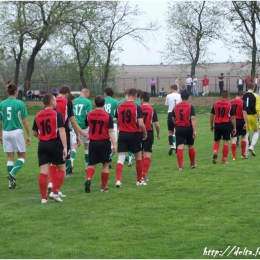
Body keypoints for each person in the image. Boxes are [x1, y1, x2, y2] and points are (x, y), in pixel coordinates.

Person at [47, 86, 87, 192]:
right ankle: (56, 188)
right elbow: (72, 120)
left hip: (50, 133)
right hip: (63, 132)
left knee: (53, 160)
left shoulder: (51, 100)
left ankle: (51, 182)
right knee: (63, 158)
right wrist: (78, 135)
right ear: (67, 94)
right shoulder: (67, 102)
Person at [32, 94, 67, 203]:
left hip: (42, 144)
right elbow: (61, 130)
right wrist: (65, 147)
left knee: (43, 172)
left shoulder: (38, 115)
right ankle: (55, 192)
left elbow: (34, 132)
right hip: (54, 144)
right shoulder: (56, 114)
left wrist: (42, 137)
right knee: (62, 168)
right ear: (51, 102)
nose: (56, 102)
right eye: (55, 100)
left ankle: (43, 198)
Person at [0, 83, 31, 189]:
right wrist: (28, 135)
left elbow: (0, 121)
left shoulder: (2, 104)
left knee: (10, 157)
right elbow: (25, 121)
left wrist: (0, 134)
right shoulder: (20, 103)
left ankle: (11, 184)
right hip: (16, 132)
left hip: (5, 132)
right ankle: (12, 173)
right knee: (22, 156)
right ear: (16, 91)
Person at [115, 88, 147, 188]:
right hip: (134, 134)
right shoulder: (137, 107)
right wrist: (145, 133)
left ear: (127, 94)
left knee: (120, 158)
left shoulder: (119, 106)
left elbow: (117, 120)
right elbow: (141, 123)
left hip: (122, 133)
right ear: (136, 95)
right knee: (138, 157)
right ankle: (138, 181)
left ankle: (118, 180)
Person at [84, 95, 116, 193]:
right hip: (104, 142)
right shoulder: (107, 115)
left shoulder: (89, 114)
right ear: (104, 104)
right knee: (106, 165)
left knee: (92, 164)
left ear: (94, 102)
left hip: (93, 142)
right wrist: (114, 144)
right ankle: (103, 187)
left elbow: (87, 124)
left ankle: (89, 179)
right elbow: (110, 131)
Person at [172, 90, 197, 170]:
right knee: (190, 146)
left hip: (179, 128)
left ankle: (180, 167)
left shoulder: (176, 106)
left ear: (181, 97)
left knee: (180, 146)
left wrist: (176, 123)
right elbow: (193, 118)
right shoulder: (190, 106)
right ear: (188, 97)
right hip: (188, 128)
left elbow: (173, 118)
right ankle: (192, 164)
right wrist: (194, 130)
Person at [210, 90, 236, 164]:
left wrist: (211, 125)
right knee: (226, 142)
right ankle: (224, 160)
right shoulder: (230, 104)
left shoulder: (215, 103)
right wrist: (234, 127)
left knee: (217, 141)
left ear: (221, 95)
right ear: (228, 96)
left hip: (217, 124)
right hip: (226, 124)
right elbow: (233, 117)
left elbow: (211, 115)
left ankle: (215, 151)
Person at [140, 92, 160, 182]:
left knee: (140, 154)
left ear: (142, 99)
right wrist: (158, 133)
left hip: (138, 133)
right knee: (147, 154)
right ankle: (144, 175)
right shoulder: (152, 110)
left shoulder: (138, 108)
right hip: (149, 132)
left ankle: (139, 175)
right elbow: (157, 124)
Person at [72, 88, 92, 173]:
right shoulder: (88, 102)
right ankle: (87, 165)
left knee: (75, 145)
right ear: (86, 93)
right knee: (87, 146)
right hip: (84, 126)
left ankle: (71, 162)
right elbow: (89, 116)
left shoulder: (74, 101)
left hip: (74, 126)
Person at [242, 83, 260, 156]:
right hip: (253, 116)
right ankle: (252, 146)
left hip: (244, 116)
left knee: (246, 134)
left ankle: (246, 153)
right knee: (256, 131)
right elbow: (258, 108)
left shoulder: (243, 95)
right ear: (253, 87)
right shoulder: (256, 96)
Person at [104, 87, 119, 169]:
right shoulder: (116, 102)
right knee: (113, 142)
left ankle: (107, 159)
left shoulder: (102, 100)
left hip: (103, 124)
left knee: (105, 142)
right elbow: (118, 115)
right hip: (112, 124)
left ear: (106, 93)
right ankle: (109, 159)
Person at [230, 91, 248, 160]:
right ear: (242, 95)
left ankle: (234, 156)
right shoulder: (242, 102)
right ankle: (242, 154)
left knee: (234, 138)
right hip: (241, 120)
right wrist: (246, 122)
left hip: (233, 121)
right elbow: (244, 112)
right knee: (243, 137)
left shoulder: (230, 102)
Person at [165, 85, 182, 155]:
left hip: (170, 113)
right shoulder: (180, 96)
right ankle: (177, 146)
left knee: (170, 131)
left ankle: (172, 145)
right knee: (177, 132)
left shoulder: (168, 96)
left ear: (171, 89)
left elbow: (166, 105)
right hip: (178, 114)